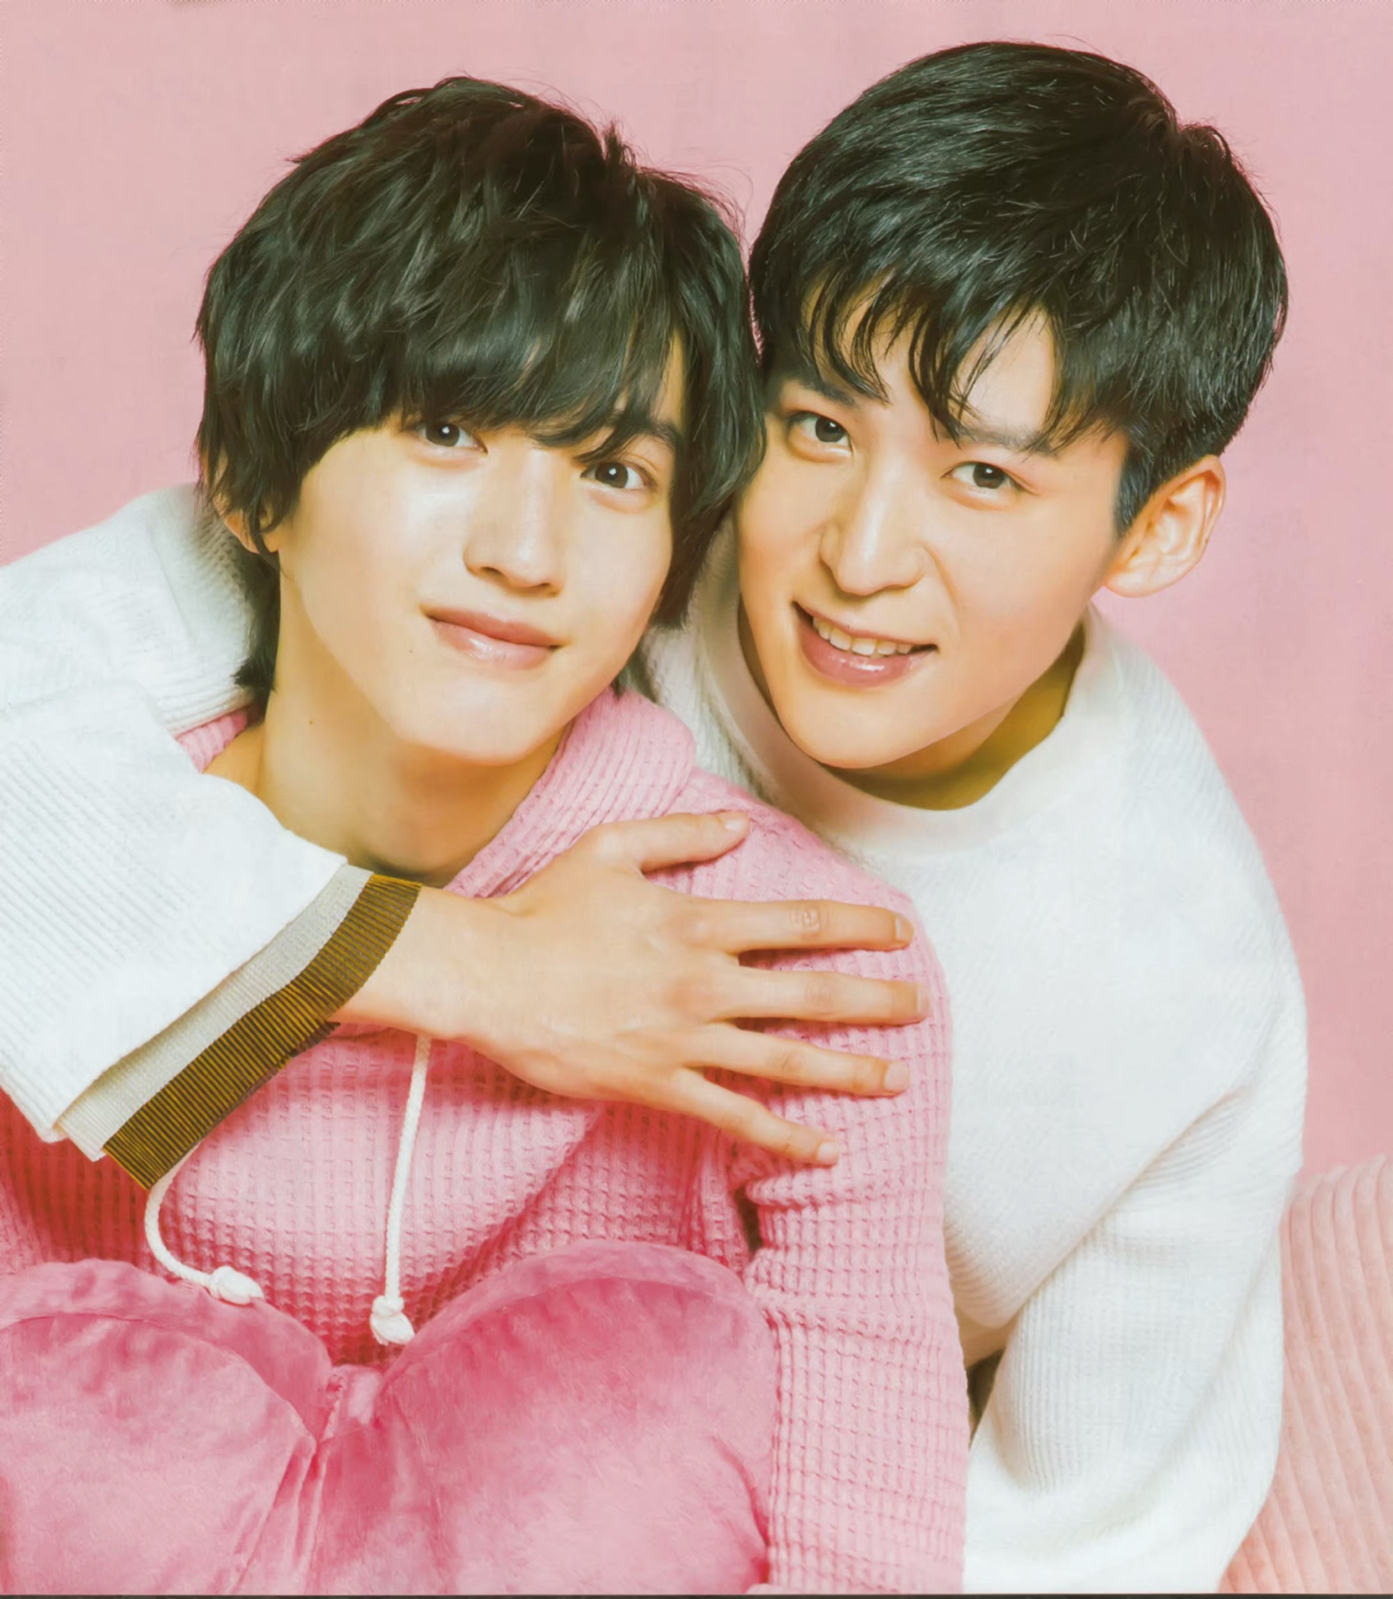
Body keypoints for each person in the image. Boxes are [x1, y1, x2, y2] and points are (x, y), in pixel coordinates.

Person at [0, 40, 1307, 1593]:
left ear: (1155, 525)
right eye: (819, 426)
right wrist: (484, 970)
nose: (860, 558)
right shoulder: (213, 687)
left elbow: (1070, 1525)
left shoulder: (1171, 999)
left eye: (981, 476)